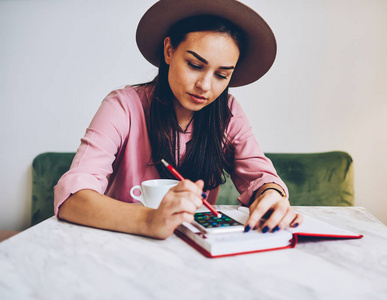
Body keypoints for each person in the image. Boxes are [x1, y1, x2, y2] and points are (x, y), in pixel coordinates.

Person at [54, 0, 303, 240]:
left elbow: (261, 177)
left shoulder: (227, 113)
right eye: (195, 65)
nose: (204, 86)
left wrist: (271, 194)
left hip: (196, 252)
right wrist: (149, 220)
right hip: (121, 245)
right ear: (169, 50)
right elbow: (72, 199)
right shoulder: (123, 106)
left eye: (221, 75)